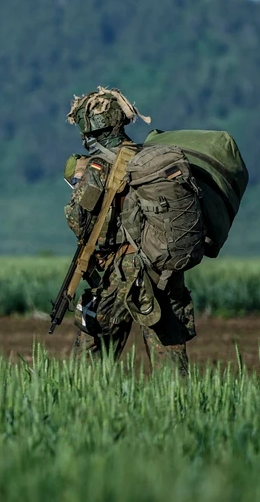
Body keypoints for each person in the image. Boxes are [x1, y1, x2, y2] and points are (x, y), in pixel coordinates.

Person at [62, 87, 196, 377]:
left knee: (89, 364)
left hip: (119, 273)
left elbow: (77, 219)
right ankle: (180, 414)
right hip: (162, 270)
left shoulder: (98, 166)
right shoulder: (148, 159)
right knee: (171, 366)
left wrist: (78, 183)